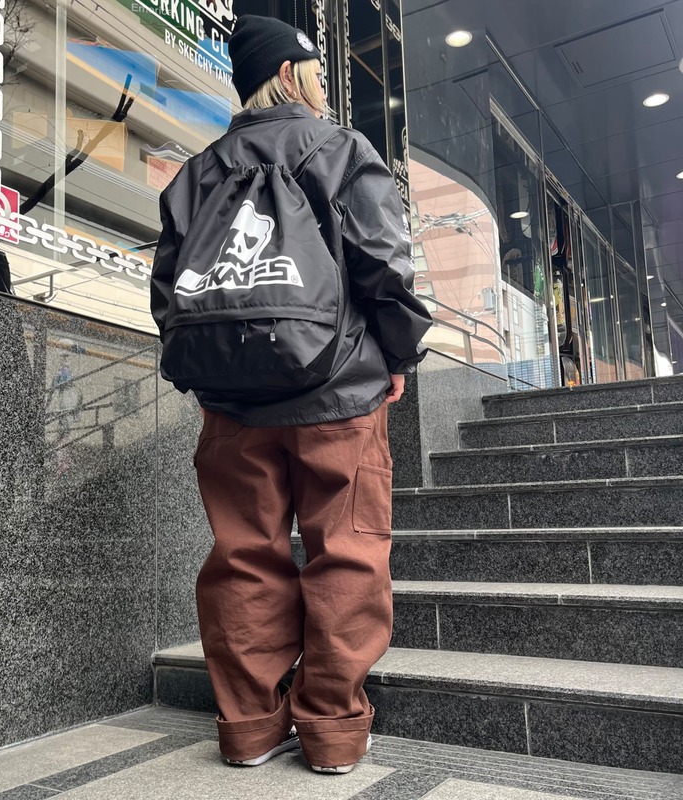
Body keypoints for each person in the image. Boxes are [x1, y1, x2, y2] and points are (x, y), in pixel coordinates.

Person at [150, 14, 432, 774]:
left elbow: (167, 293)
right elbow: (385, 266)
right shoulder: (340, 149)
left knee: (243, 557)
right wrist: (399, 354)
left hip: (231, 406)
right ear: (288, 74)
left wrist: (212, 368)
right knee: (347, 554)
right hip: (339, 391)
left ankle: (247, 727)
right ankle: (332, 730)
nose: (322, 86)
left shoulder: (196, 172)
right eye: (314, 71)